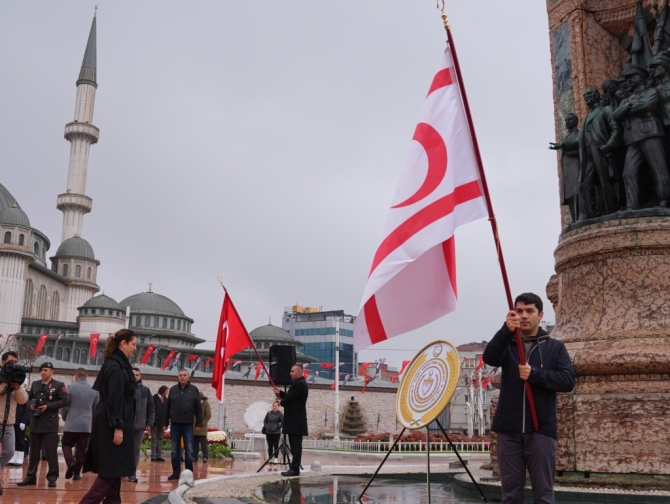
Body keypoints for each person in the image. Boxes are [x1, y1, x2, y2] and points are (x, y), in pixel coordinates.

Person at [483, 293, 575, 504]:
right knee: (511, 495)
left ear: (540, 314)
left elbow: (567, 380)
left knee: (543, 495)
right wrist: (506, 330)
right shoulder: (508, 345)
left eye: (530, 311)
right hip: (508, 430)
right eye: (519, 311)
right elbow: (489, 357)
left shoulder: (555, 347)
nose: (524, 315)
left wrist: (535, 374)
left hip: (541, 430)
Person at [79, 329, 138, 504]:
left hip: (114, 420)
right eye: (133, 344)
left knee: (115, 470)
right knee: (110, 471)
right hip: (112, 423)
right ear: (123, 343)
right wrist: (117, 427)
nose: (135, 348)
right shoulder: (115, 366)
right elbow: (114, 398)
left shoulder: (119, 363)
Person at [550, 88, 620, 220]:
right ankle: (585, 214)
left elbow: (616, 129)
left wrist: (609, 145)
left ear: (596, 96)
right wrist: (563, 144)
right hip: (587, 154)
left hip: (600, 150)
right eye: (584, 96)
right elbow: (578, 141)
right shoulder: (587, 116)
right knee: (582, 185)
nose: (586, 97)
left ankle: (610, 210)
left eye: (589, 95)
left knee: (605, 181)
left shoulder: (605, 110)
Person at [614, 65, 670, 209]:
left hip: (650, 132)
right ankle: (632, 206)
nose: (629, 81)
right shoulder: (628, 98)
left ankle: (664, 200)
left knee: (658, 168)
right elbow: (617, 114)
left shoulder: (651, 91)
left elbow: (646, 105)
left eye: (633, 77)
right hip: (632, 138)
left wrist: (627, 107)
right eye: (627, 78)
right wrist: (628, 106)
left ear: (642, 77)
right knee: (628, 173)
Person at [17, 362, 68, 488]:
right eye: (41, 370)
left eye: (45, 370)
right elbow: (27, 399)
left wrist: (49, 406)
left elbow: (65, 400)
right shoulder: (35, 384)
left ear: (52, 371)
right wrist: (30, 405)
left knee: (51, 452)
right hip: (36, 421)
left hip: (50, 423)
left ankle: (52, 477)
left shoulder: (58, 385)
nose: (43, 372)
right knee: (34, 452)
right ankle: (30, 477)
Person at [61, 368, 99, 481]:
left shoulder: (70, 387)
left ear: (76, 376)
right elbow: (95, 408)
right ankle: (77, 473)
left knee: (66, 444)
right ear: (87, 376)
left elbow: (65, 405)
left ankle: (70, 462)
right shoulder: (95, 390)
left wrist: (64, 416)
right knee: (81, 448)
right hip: (86, 423)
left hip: (72, 420)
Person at [163, 369, 202, 480]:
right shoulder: (173, 390)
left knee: (189, 451)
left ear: (188, 377)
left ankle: (189, 473)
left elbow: (198, 408)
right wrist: (165, 423)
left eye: (184, 375)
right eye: (180, 375)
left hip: (188, 425)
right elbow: (167, 408)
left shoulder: (194, 390)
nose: (182, 377)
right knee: (175, 451)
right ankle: (176, 473)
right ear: (178, 377)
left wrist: (198, 423)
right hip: (174, 425)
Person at [0, 351, 29, 494]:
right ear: (3, 362)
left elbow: (23, 400)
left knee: (10, 451)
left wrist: (17, 387)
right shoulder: (2, 378)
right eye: (10, 362)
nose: (13, 365)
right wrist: (4, 383)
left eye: (15, 362)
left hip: (9, 423)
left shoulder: (16, 379)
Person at [272, 364, 308, 477]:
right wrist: (280, 393)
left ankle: (295, 469)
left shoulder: (300, 384)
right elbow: (289, 397)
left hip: (296, 421)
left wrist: (281, 399)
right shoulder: (298, 384)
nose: (290, 373)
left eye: (292, 371)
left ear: (298, 372)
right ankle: (294, 468)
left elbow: (287, 400)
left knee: (296, 447)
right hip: (295, 420)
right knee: (294, 446)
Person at [129, 368, 155, 482]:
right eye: (133, 374)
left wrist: (149, 422)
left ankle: (132, 473)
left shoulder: (146, 390)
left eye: (137, 375)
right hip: (126, 425)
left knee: (135, 450)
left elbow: (151, 408)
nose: (135, 376)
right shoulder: (124, 389)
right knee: (123, 450)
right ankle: (120, 473)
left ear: (140, 376)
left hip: (139, 425)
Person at [8, 382, 31, 467]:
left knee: (21, 439)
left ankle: (20, 458)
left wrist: (24, 421)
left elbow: (27, 409)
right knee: (13, 440)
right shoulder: (12, 393)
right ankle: (13, 457)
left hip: (20, 421)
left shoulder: (26, 395)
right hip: (12, 420)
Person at [151, 385, 168, 462]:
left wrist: (166, 423)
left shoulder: (166, 400)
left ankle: (158, 455)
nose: (167, 393)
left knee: (160, 439)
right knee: (154, 439)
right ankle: (153, 455)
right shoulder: (153, 398)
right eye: (166, 391)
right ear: (163, 391)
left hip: (162, 423)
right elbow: (151, 410)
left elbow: (167, 412)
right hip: (154, 422)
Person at [192, 392, 211, 463]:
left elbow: (208, 415)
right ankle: (194, 457)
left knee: (203, 444)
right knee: (195, 444)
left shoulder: (206, 404)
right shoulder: (194, 404)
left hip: (202, 427)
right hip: (194, 427)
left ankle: (205, 457)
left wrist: (201, 424)